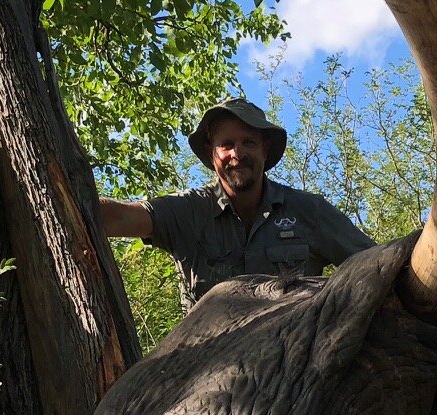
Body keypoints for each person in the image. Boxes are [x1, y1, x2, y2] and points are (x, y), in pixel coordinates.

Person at [100, 99, 373, 309]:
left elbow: (375, 266)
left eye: (248, 143)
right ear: (212, 154)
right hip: (209, 371)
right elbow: (119, 217)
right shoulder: (186, 212)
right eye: (226, 144)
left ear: (264, 150)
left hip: (296, 371)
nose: (237, 154)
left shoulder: (308, 211)